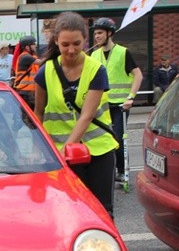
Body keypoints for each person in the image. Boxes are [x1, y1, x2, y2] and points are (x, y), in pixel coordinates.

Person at [34, 12, 118, 219]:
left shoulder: (96, 69)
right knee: (67, 212)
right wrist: (39, 149)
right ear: (56, 42)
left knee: (101, 211)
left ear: (84, 40)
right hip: (60, 154)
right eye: (65, 45)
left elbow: (87, 116)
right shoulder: (45, 72)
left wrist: (66, 152)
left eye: (76, 44)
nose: (71, 50)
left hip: (97, 151)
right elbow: (38, 113)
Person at [90, 17, 143, 183]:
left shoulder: (123, 52)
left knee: (118, 139)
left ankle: (121, 171)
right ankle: (106, 171)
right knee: (103, 140)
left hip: (121, 105)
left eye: (99, 33)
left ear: (109, 33)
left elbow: (138, 75)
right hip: (101, 106)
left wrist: (131, 98)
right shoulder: (94, 54)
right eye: (95, 33)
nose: (96, 36)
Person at [13, 36, 40, 109]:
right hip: (25, 92)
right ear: (27, 46)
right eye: (33, 44)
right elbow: (42, 62)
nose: (35, 45)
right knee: (27, 116)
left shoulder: (31, 56)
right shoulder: (25, 57)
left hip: (29, 92)